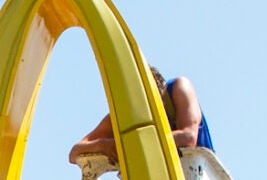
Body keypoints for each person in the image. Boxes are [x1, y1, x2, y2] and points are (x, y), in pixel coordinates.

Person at [69, 68, 211, 164]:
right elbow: (75, 152)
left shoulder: (179, 88)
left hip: (199, 178)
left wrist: (131, 145)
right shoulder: (127, 113)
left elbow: (188, 138)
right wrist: (104, 145)